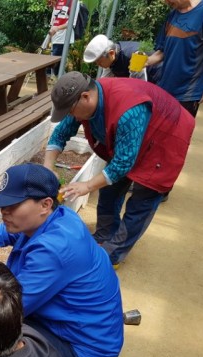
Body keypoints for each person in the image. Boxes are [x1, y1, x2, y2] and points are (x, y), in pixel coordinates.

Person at [0, 163, 124, 357]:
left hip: (84, 354)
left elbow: (7, 311)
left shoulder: (55, 250)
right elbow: (6, 230)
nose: (4, 211)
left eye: (13, 205)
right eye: (3, 204)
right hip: (85, 331)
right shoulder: (58, 217)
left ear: (45, 204)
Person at [46, 71, 195, 267]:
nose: (71, 116)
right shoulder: (82, 101)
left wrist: (87, 185)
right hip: (137, 132)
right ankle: (104, 233)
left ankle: (113, 254)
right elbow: (60, 134)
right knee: (109, 189)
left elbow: (123, 164)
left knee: (142, 200)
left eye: (71, 111)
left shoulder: (128, 110)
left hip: (165, 136)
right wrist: (48, 168)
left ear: (85, 97)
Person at [146, 0, 203, 117]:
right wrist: (146, 61)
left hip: (187, 94)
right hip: (163, 89)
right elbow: (161, 53)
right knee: (157, 133)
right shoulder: (172, 15)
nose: (165, 2)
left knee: (177, 134)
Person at [83, 34, 162, 84]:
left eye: (99, 62)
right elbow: (104, 82)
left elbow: (138, 85)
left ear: (111, 53)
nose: (98, 65)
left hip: (159, 78)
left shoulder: (136, 56)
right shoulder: (112, 58)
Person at [46, 0, 81, 76]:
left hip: (63, 39)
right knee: (52, 69)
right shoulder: (57, 1)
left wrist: (57, 28)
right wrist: (48, 39)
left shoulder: (73, 2)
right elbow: (53, 22)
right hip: (55, 38)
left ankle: (66, 85)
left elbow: (72, 23)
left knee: (53, 67)